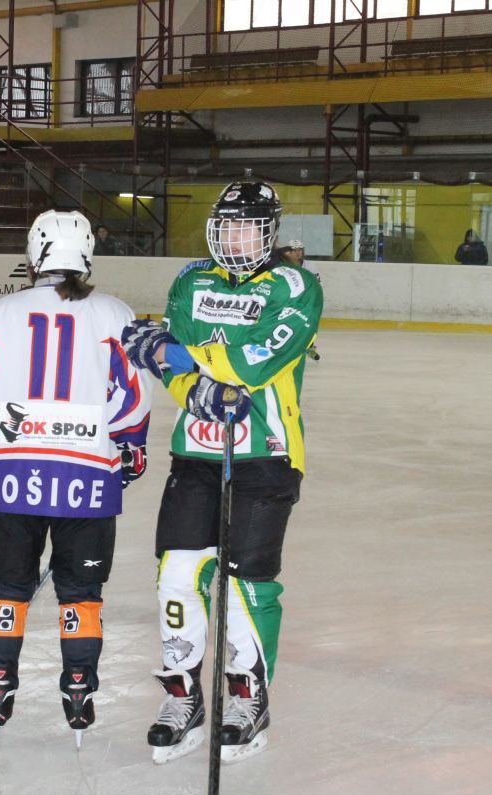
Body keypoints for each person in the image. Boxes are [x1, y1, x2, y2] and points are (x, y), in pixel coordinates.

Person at [121, 181, 323, 765]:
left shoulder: (296, 286)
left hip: (266, 456)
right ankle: (183, 697)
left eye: (247, 228)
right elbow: (171, 364)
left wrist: (177, 355)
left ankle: (247, 700)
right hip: (195, 454)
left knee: (244, 584)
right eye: (227, 226)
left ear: (269, 232)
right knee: (177, 576)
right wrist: (194, 389)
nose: (235, 238)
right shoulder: (192, 281)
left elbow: (255, 360)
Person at [0, 210, 151, 746]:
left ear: (32, 253)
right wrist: (129, 448)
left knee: (7, 586)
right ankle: (79, 686)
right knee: (81, 591)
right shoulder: (114, 314)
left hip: (12, 474)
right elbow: (132, 398)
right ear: (87, 254)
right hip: (88, 477)